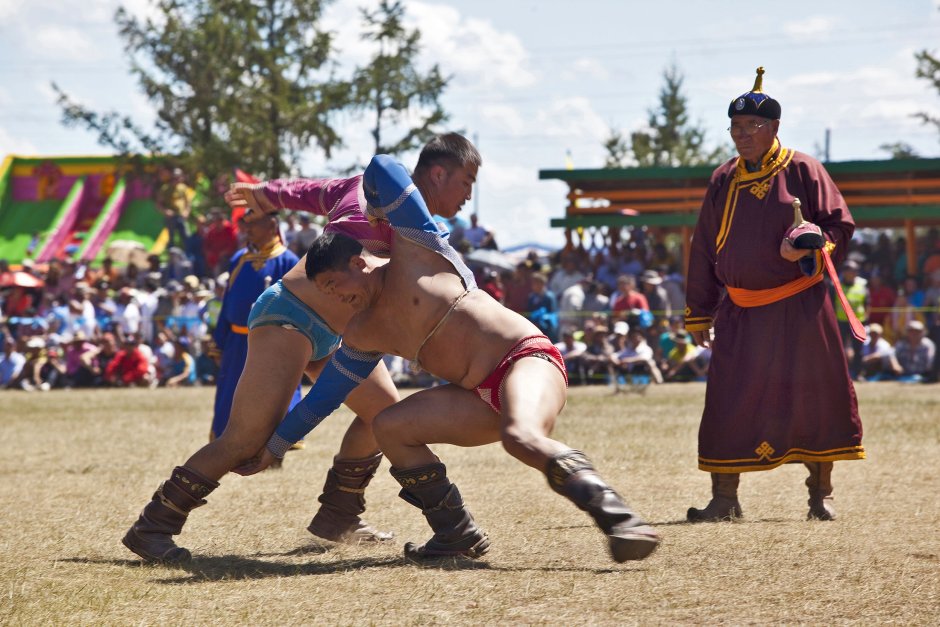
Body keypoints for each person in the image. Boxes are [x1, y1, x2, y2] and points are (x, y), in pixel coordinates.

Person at [242, 152, 660, 563]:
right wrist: (274, 447)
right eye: (327, 291)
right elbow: (324, 396)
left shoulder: (417, 247)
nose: (336, 296)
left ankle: (619, 519)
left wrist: (372, 207)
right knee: (388, 424)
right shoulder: (363, 332)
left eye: (335, 283)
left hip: (526, 361)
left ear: (359, 262)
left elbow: (384, 166)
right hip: (473, 395)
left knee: (521, 436)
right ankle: (455, 533)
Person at [121, 134, 476, 565]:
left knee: (385, 419)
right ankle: (154, 525)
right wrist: (263, 194)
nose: (468, 195)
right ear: (438, 173)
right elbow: (311, 192)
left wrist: (265, 193)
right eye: (466, 181)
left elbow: (306, 192)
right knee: (245, 439)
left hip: (340, 338)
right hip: (289, 317)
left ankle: (340, 514)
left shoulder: (421, 230)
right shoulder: (376, 196)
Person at [684, 67, 864, 523]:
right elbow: (705, 245)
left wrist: (807, 243)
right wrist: (699, 313)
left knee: (814, 395)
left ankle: (820, 495)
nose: (742, 135)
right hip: (741, 311)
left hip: (801, 306)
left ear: (774, 128)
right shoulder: (723, 178)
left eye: (752, 127)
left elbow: (839, 225)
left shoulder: (803, 168)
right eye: (736, 128)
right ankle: (725, 500)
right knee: (729, 399)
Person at [208, 211, 300, 439]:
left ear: (271, 225)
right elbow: (227, 301)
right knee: (230, 394)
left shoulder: (288, 261)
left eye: (253, 224)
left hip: (271, 344)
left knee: (269, 397)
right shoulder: (238, 259)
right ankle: (227, 445)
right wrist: (219, 341)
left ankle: (271, 447)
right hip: (236, 342)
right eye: (245, 225)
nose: (246, 229)